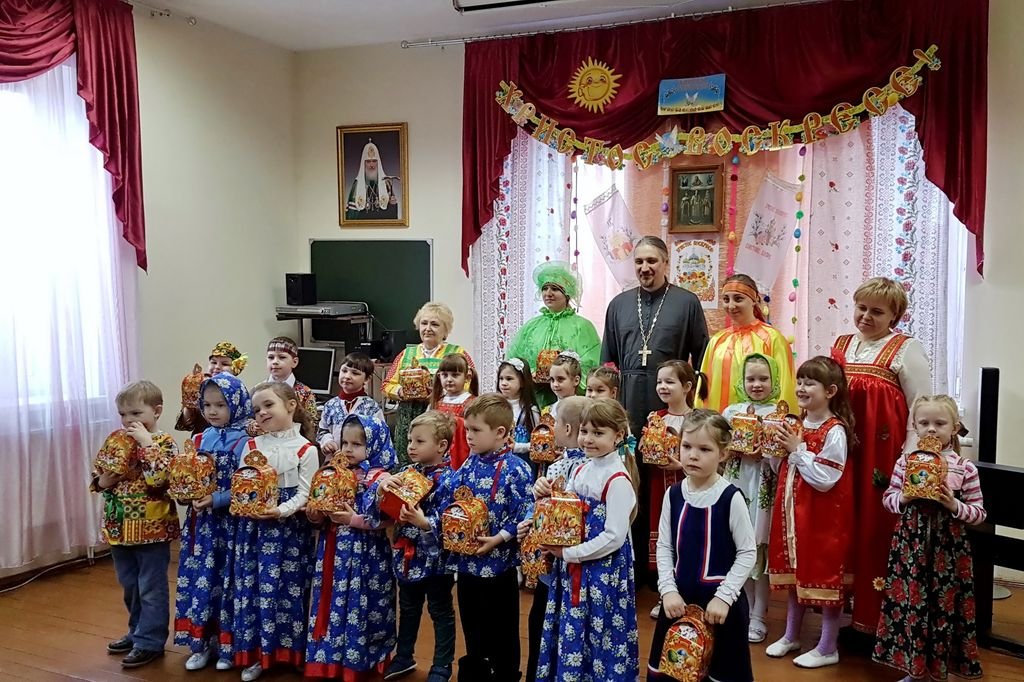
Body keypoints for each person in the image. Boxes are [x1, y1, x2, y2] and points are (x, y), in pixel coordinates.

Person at [601, 235, 709, 584]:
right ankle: (629, 564)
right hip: (627, 405)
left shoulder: (687, 302)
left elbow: (701, 359)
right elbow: (608, 364)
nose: (645, 268)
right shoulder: (618, 304)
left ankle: (668, 568)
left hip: (671, 406)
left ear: (665, 263)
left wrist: (694, 408)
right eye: (639, 262)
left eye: (652, 261)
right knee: (629, 480)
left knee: (667, 481)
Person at [832, 277, 932, 636]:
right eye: (861, 308)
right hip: (843, 453)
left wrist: (909, 457)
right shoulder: (841, 345)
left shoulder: (906, 349)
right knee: (842, 523)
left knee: (876, 526)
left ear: (894, 316)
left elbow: (920, 408)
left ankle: (877, 619)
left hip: (883, 457)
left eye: (877, 311)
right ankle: (838, 615)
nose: (866, 316)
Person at [873, 395, 986, 681]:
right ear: (915, 426)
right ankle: (915, 670)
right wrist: (904, 497)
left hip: (948, 551)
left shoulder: (964, 467)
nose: (932, 429)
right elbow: (888, 500)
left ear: (955, 427)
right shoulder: (905, 462)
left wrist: (953, 504)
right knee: (913, 603)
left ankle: (940, 670)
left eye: (940, 423)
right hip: (910, 547)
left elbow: (979, 513)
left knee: (943, 606)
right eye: (924, 423)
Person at [430, 394, 533, 682]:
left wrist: (499, 538)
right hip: (467, 566)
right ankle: (475, 671)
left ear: (500, 432)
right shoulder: (469, 464)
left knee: (503, 629)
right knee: (472, 626)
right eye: (466, 429)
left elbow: (526, 511)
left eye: (475, 430)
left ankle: (505, 674)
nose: (468, 436)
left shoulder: (517, 469)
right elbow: (448, 493)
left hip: (499, 569)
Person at [647, 410, 756, 682]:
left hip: (720, 609)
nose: (692, 455)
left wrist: (724, 597)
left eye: (704, 449)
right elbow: (664, 546)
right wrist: (668, 591)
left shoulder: (730, 498)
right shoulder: (673, 495)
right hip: (679, 603)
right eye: (687, 446)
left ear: (723, 453)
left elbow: (747, 552)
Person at [535, 398, 639, 681]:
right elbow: (564, 512)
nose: (588, 439)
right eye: (584, 431)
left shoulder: (618, 479)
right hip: (574, 570)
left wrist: (570, 554)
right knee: (573, 629)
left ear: (618, 436)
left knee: (599, 633)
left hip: (600, 574)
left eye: (598, 433)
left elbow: (614, 537)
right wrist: (545, 494)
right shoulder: (582, 469)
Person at [766, 356, 856, 669]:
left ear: (830, 391)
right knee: (796, 573)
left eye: (810, 383)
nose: (802, 388)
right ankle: (791, 635)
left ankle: (828, 646)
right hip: (792, 516)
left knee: (824, 576)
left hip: (821, 519)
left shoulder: (835, 430)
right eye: (800, 382)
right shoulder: (797, 425)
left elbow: (826, 478)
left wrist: (797, 450)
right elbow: (781, 468)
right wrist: (773, 450)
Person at [229, 382, 318, 681]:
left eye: (269, 405)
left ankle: (292, 653)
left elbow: (305, 493)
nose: (262, 413)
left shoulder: (306, 449)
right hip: (254, 531)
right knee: (256, 589)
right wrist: (246, 505)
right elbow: (242, 484)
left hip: (289, 533)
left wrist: (280, 510)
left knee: (289, 589)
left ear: (291, 406)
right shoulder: (252, 446)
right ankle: (258, 653)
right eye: (257, 409)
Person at [90, 381, 180, 669]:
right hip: (119, 527)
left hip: (152, 529)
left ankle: (150, 640)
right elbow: (100, 474)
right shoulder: (116, 440)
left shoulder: (164, 443)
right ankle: (137, 631)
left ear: (157, 411)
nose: (128, 420)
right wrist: (102, 481)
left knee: (151, 586)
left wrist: (146, 444)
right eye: (123, 414)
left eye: (136, 413)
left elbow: (160, 480)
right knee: (130, 585)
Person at [305, 414, 398, 678]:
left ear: (376, 444)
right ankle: (329, 658)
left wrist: (353, 520)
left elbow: (388, 520)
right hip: (333, 548)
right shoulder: (332, 473)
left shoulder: (381, 478)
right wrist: (315, 514)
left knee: (363, 602)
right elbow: (321, 510)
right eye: (344, 442)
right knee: (332, 599)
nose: (348, 449)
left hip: (366, 554)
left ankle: (361, 658)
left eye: (357, 444)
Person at [174, 373, 253, 671]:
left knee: (228, 581)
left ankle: (228, 646)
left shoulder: (247, 442)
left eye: (221, 405)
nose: (212, 411)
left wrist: (217, 499)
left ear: (237, 403)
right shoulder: (200, 438)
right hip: (202, 526)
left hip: (231, 525)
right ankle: (201, 643)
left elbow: (249, 487)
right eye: (206, 405)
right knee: (202, 579)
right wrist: (185, 493)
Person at [378, 411, 457, 682]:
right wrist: (384, 490)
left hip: (436, 560)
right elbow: (384, 508)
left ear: (442, 446)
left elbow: (451, 520)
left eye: (419, 441)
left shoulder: (451, 480)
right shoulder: (407, 473)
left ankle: (442, 665)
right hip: (407, 554)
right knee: (409, 607)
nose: (411, 446)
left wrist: (425, 523)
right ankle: (404, 656)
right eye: (410, 440)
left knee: (440, 610)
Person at [520, 395, 590, 682]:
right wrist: (530, 518)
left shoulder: (584, 468)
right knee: (542, 622)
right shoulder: (557, 465)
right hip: (552, 565)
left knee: (558, 625)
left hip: (571, 564)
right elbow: (543, 507)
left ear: (568, 429)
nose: (551, 429)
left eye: (556, 423)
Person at [721, 353, 784, 644]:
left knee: (759, 548)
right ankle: (743, 609)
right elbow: (719, 447)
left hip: (763, 487)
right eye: (750, 379)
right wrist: (731, 448)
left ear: (775, 380)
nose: (756, 384)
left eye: (763, 378)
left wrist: (767, 452)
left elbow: (785, 457)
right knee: (739, 546)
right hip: (737, 483)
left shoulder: (778, 414)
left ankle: (759, 614)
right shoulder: (731, 412)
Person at [642, 360, 707, 618]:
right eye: (659, 382)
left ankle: (691, 594)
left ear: (687, 386)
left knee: (688, 538)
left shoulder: (698, 420)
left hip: (690, 490)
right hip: (659, 489)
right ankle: (666, 594)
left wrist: (680, 465)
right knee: (664, 539)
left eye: (670, 381)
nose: (662, 387)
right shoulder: (655, 418)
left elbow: (705, 459)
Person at [383, 302, 475, 466]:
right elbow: (387, 384)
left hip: (442, 416)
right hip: (408, 417)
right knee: (408, 461)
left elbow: (469, 383)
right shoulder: (406, 354)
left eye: (435, 324)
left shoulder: (458, 353)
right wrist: (401, 392)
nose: (428, 328)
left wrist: (441, 393)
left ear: (445, 330)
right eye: (424, 323)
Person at [506, 261, 601, 407]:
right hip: (535, 400)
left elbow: (592, 364)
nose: (548, 293)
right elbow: (514, 359)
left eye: (555, 289)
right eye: (545, 288)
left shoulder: (582, 326)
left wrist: (564, 378)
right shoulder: (531, 326)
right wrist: (529, 375)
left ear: (567, 293)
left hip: (570, 403)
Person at [698, 274, 797, 414]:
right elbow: (704, 388)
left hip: (763, 423)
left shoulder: (772, 338)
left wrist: (783, 420)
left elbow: (785, 384)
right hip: (719, 422)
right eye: (726, 299)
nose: (731, 306)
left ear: (754, 299)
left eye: (738, 299)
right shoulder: (717, 341)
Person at [317, 352, 385, 455]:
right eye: (344, 371)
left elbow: (380, 437)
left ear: (367, 379)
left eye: (355, 373)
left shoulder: (372, 408)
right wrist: (327, 441)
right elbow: (322, 430)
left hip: (363, 462)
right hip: (334, 459)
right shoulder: (330, 405)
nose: (347, 376)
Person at [175, 341, 248, 435]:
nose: (217, 367)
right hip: (202, 439)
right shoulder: (199, 386)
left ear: (236, 368)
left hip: (232, 438)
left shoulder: (238, 390)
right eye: (213, 362)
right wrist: (188, 401)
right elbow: (187, 423)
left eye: (225, 364)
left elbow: (246, 420)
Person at [255, 336, 319, 432]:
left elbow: (312, 424)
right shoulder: (257, 391)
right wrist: (253, 426)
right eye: (271, 357)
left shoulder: (305, 392)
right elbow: (248, 418)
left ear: (294, 362)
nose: (275, 362)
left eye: (282, 357)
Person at [430, 353, 478, 470]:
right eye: (445, 375)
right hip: (439, 454)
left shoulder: (472, 403)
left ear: (467, 377)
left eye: (455, 375)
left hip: (463, 454)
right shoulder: (436, 403)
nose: (449, 379)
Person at [497, 358, 541, 464]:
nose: (503, 383)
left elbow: (539, 444)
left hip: (522, 464)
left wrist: (518, 447)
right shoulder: (495, 407)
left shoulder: (530, 411)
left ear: (522, 382)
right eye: (501, 378)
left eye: (509, 379)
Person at [345, 139, 398, 220]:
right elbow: (351, 216)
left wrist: (393, 205)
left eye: (374, 161)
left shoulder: (386, 183)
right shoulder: (357, 184)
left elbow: (392, 217)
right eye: (368, 161)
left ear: (378, 163)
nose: (371, 165)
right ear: (364, 163)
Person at [544, 351, 584, 423]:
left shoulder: (583, 411)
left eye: (560, 379)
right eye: (552, 379)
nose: (555, 384)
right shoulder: (548, 411)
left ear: (576, 380)